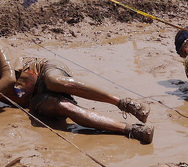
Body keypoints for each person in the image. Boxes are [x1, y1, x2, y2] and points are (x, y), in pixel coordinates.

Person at [13, 56, 154, 144]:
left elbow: (7, 79)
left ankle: (125, 103)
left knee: (54, 81)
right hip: (34, 99)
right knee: (64, 106)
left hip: (44, 71)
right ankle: (133, 130)